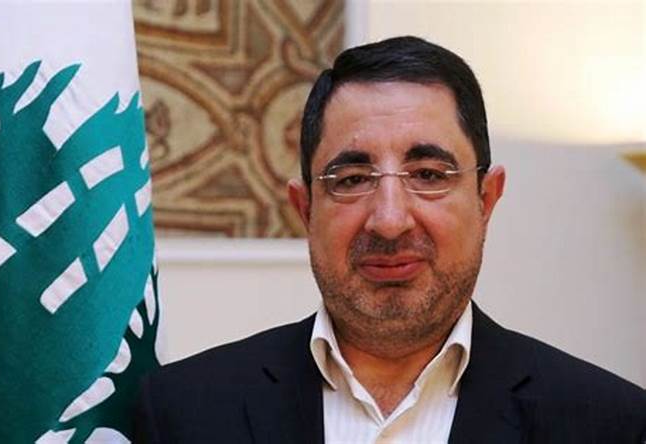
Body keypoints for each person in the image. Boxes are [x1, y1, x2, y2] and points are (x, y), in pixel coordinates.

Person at [134, 36, 645, 443]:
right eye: (353, 179)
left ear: (486, 199)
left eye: (428, 175)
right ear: (305, 209)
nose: (390, 221)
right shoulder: (183, 413)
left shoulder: (608, 423)